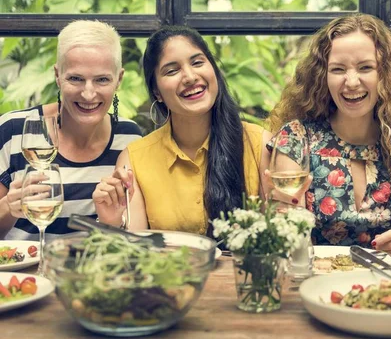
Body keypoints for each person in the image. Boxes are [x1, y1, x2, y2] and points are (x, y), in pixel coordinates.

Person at [267, 14, 391, 256]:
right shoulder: (296, 138)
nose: (351, 82)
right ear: (323, 76)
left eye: (365, 68)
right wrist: (286, 220)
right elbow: (286, 240)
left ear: (385, 75)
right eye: (338, 69)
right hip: (316, 282)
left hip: (384, 286)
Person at [93, 26, 271, 235]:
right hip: (169, 268)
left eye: (197, 63)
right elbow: (135, 249)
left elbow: (277, 239)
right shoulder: (135, 159)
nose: (189, 77)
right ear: (157, 92)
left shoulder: (259, 144)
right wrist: (114, 222)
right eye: (172, 70)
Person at [0, 20, 142, 240]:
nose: (88, 93)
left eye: (102, 80)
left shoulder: (130, 137)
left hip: (91, 272)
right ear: (58, 75)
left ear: (119, 79)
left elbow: (128, 238)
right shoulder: (12, 130)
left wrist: (113, 220)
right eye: (75, 78)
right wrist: (8, 208)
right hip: (21, 273)